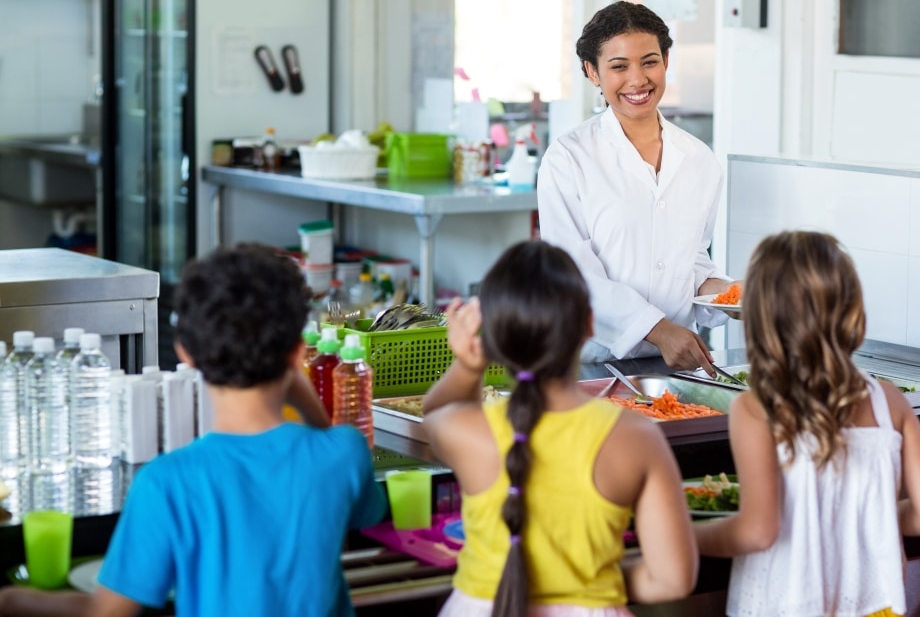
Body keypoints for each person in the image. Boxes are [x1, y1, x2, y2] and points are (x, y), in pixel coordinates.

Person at [0, 243, 386, 617]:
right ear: (299, 352)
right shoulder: (345, 454)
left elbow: (105, 611)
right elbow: (358, 506)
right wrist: (300, 391)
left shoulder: (165, 481)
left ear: (185, 351)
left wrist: (11, 601)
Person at [422, 239, 698, 617]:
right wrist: (601, 585)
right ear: (589, 323)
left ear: (493, 335)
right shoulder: (636, 438)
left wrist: (468, 365)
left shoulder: (467, 431)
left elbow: (437, 409)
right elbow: (673, 580)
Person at [692, 230, 920, 617]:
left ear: (761, 319)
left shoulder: (756, 409)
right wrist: (877, 520)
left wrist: (683, 536)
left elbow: (757, 531)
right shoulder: (889, 402)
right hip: (875, 606)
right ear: (851, 311)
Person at [537, 0, 733, 373]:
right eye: (618, 66)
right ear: (592, 72)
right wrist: (659, 330)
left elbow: (691, 263)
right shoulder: (569, 158)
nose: (638, 80)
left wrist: (735, 296)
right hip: (588, 365)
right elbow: (572, 276)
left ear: (666, 62)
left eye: (649, 62)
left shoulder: (698, 159)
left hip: (675, 366)